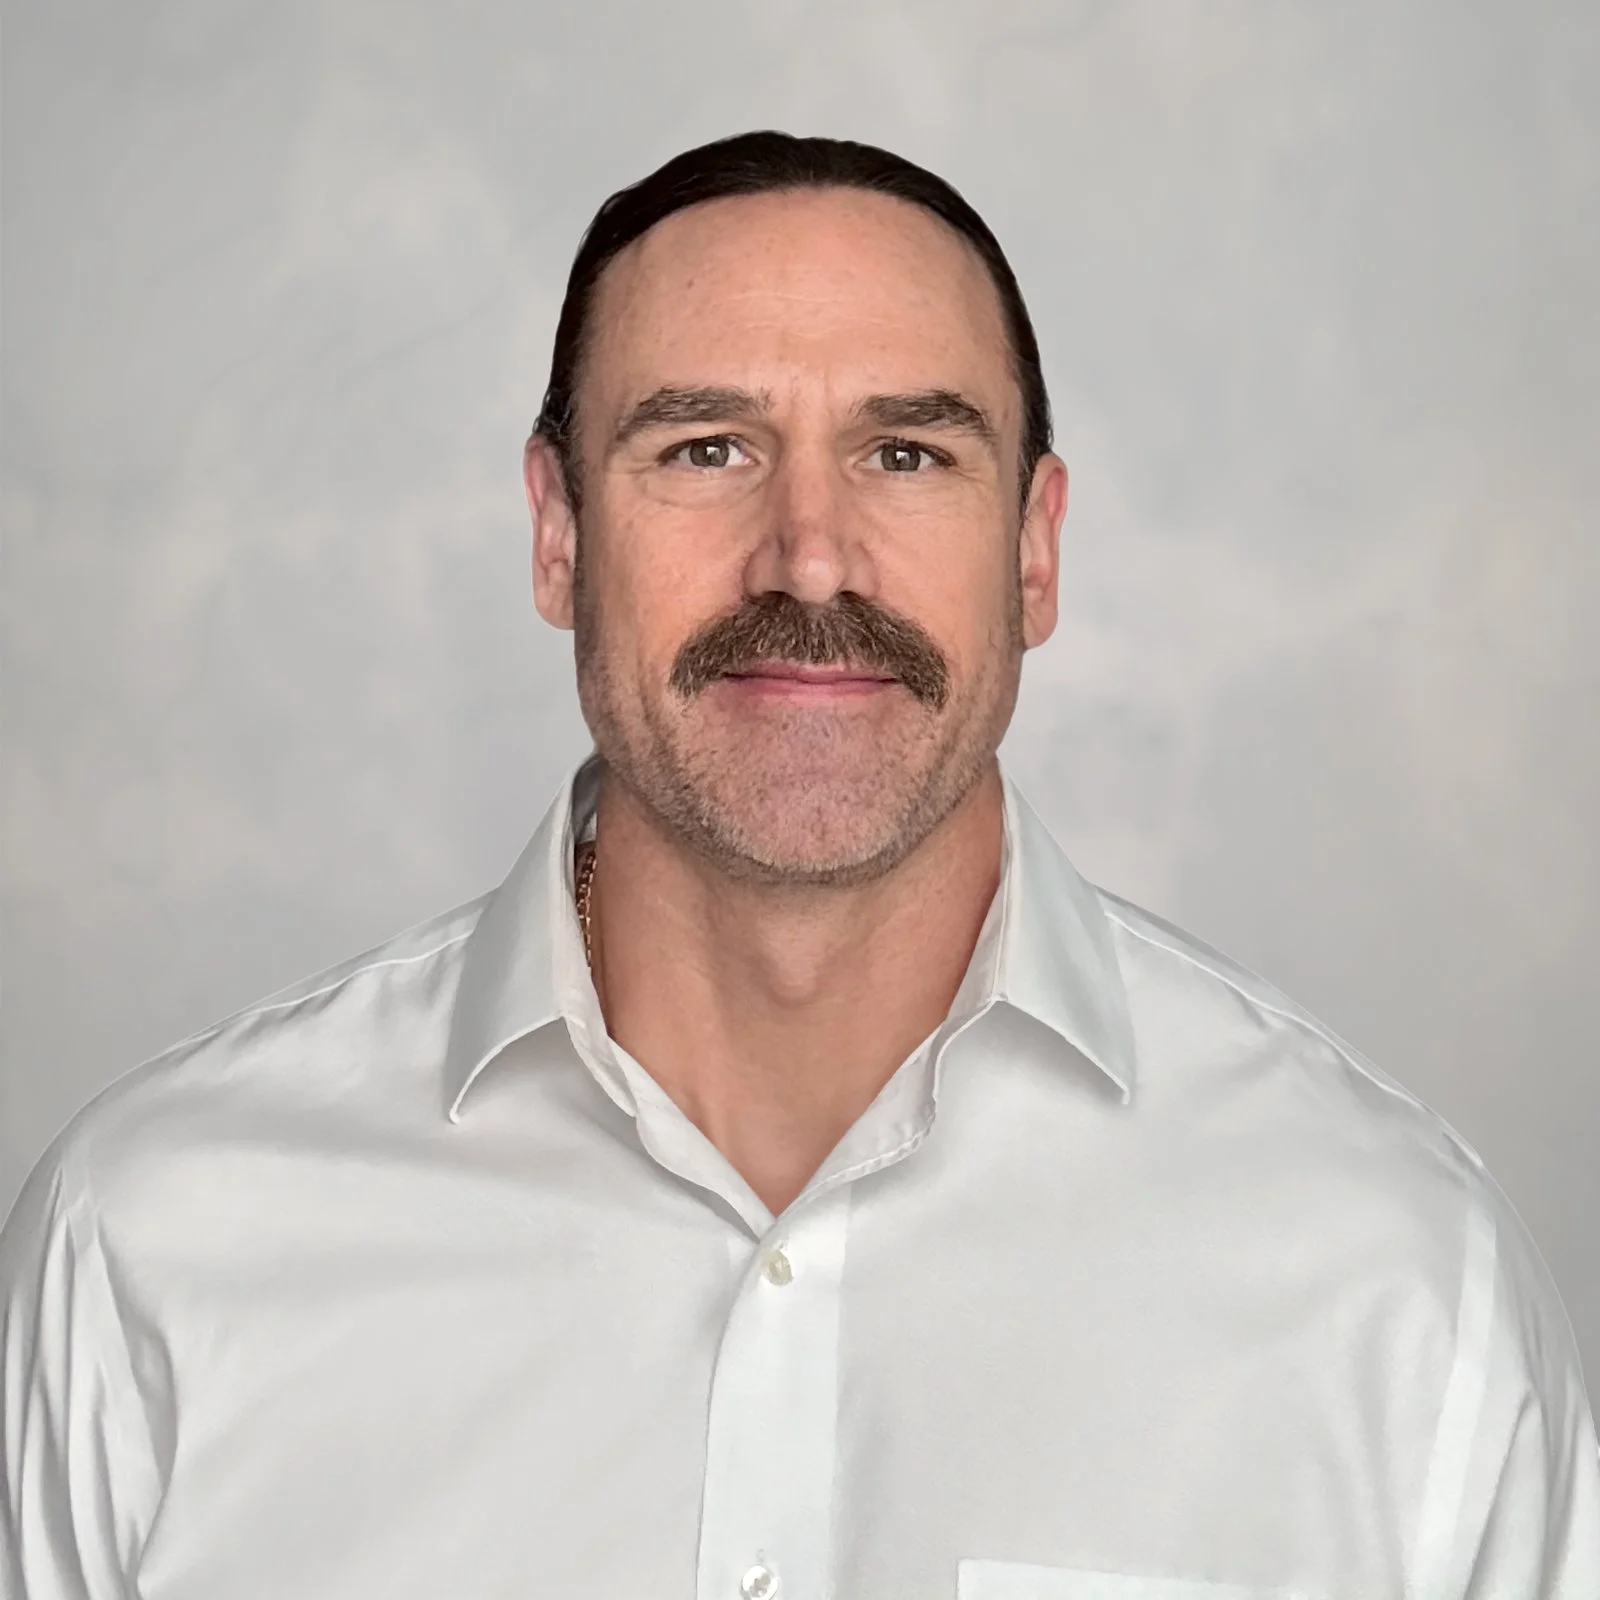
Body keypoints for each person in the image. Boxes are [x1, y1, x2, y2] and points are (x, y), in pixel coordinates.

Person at [2, 130, 1596, 1600]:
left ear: (1035, 550)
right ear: (557, 533)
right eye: (705, 448)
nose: (812, 557)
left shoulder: (1391, 1279)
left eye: (909, 454)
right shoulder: (152, 1253)